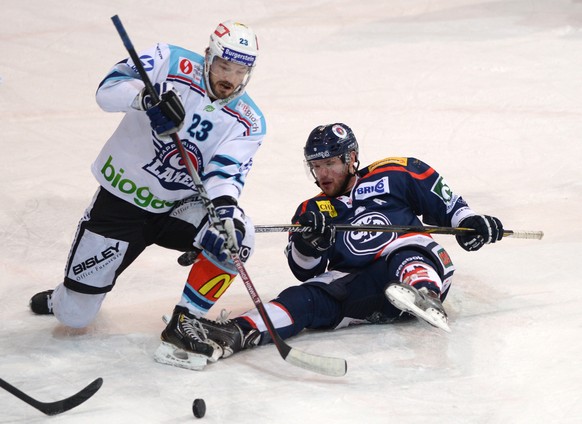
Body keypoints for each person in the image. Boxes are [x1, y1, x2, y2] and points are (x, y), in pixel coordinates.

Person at [28, 20, 266, 370]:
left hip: (178, 209)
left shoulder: (248, 120)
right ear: (208, 57)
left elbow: (224, 174)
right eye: (224, 66)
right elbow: (107, 91)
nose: (231, 78)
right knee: (74, 318)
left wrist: (225, 212)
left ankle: (186, 321)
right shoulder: (167, 60)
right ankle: (64, 296)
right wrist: (143, 99)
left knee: (235, 237)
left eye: (241, 70)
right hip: (121, 205)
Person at [179, 123, 504, 362]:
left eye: (330, 163)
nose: (323, 174)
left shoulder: (396, 173)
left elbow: (447, 205)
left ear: (351, 158)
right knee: (304, 298)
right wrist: (310, 243)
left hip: (416, 268)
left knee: (408, 247)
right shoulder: (311, 210)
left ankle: (425, 295)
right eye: (316, 167)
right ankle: (237, 332)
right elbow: (305, 271)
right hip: (365, 288)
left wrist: (471, 223)